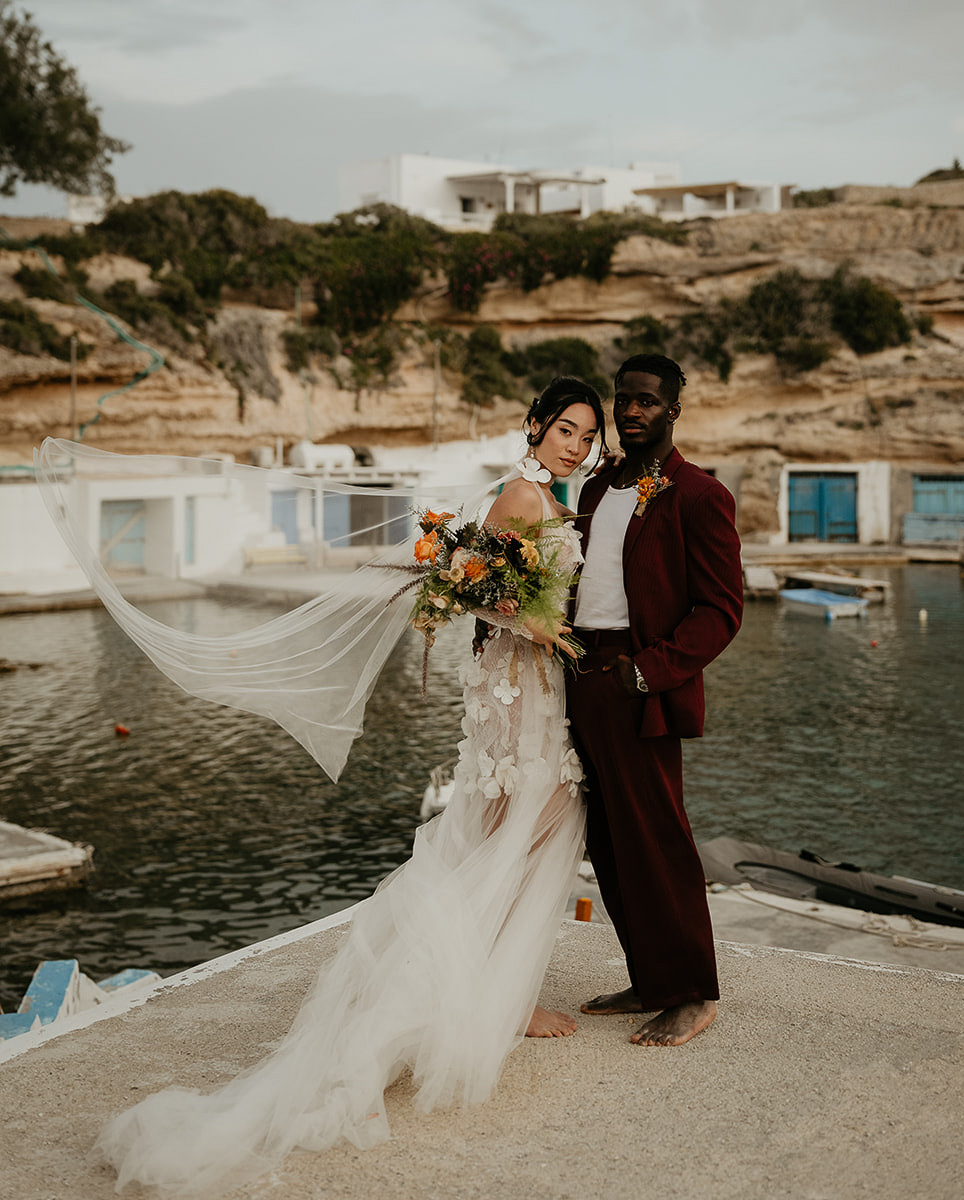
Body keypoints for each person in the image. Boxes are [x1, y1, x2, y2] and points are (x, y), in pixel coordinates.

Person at [90, 376, 606, 1198]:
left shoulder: (548, 498)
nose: (576, 444)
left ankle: (502, 992)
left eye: (587, 434)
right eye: (566, 430)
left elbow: (478, 583)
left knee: (520, 830)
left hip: (534, 688)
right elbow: (475, 587)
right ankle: (501, 1002)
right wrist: (537, 624)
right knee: (521, 827)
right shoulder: (518, 495)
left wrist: (536, 621)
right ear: (535, 428)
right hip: (516, 694)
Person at [566, 353, 743, 1047]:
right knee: (610, 845)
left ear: (673, 409)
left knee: (659, 841)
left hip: (638, 684)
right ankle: (649, 978)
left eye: (645, 401)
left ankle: (693, 993)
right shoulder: (597, 486)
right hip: (581, 679)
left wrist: (646, 672)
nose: (630, 411)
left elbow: (720, 610)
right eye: (623, 400)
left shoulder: (698, 495)